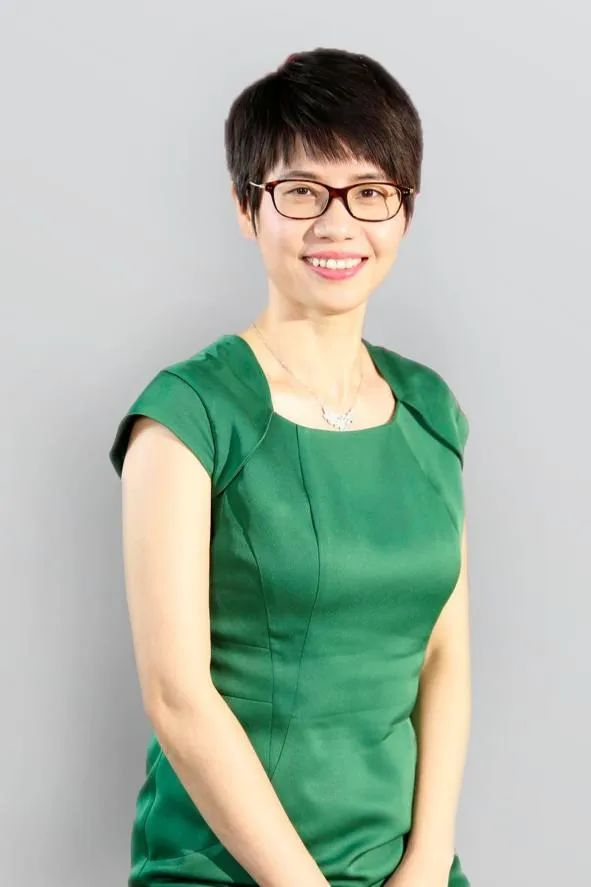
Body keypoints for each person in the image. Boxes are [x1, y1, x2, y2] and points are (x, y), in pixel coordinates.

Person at [109, 47, 472, 887]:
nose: (337, 225)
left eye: (370, 193)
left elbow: (444, 652)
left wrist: (426, 861)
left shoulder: (429, 409)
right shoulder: (188, 414)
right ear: (247, 207)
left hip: (402, 870)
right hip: (225, 871)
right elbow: (176, 696)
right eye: (302, 191)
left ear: (404, 210)